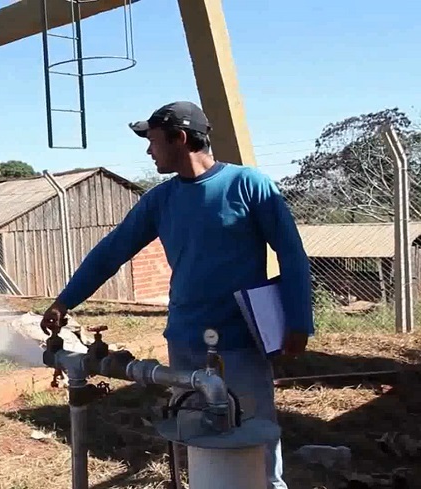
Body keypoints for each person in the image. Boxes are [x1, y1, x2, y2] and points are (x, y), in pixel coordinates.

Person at [39, 101, 313, 489]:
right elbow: (112, 251)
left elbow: (291, 254)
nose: (149, 151)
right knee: (198, 438)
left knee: (255, 443)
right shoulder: (160, 200)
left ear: (180, 138)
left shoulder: (248, 185)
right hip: (184, 340)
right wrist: (65, 300)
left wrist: (299, 321)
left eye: (152, 141)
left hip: (240, 344)